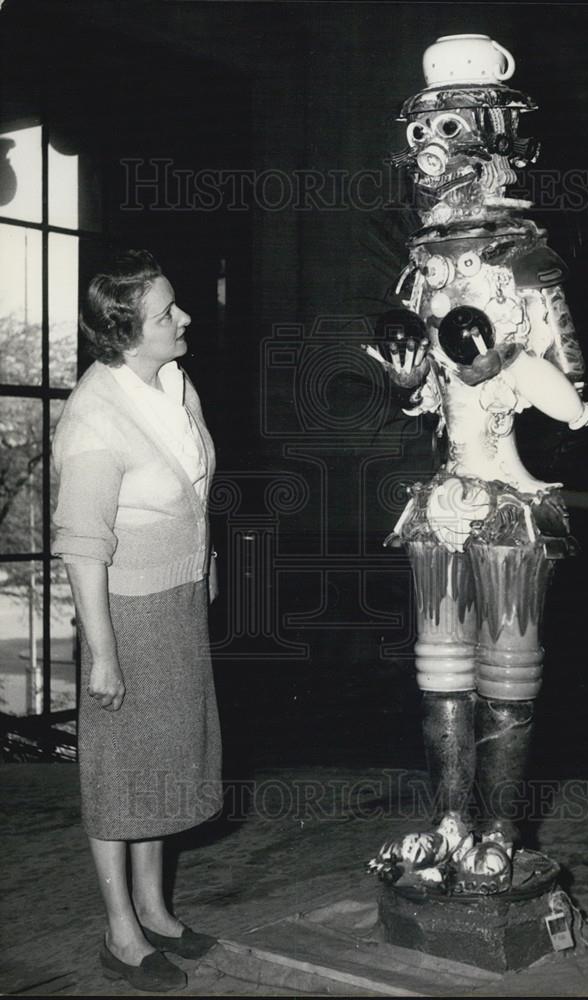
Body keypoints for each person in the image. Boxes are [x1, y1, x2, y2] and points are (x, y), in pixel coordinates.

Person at [52, 250, 223, 992]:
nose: (182, 318)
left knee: (163, 759)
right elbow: (83, 547)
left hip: (176, 598)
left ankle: (155, 909)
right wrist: (102, 654)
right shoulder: (95, 418)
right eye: (166, 314)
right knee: (119, 771)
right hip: (122, 611)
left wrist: (200, 568)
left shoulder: (173, 387)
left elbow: (189, 494)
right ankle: (121, 934)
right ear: (127, 333)